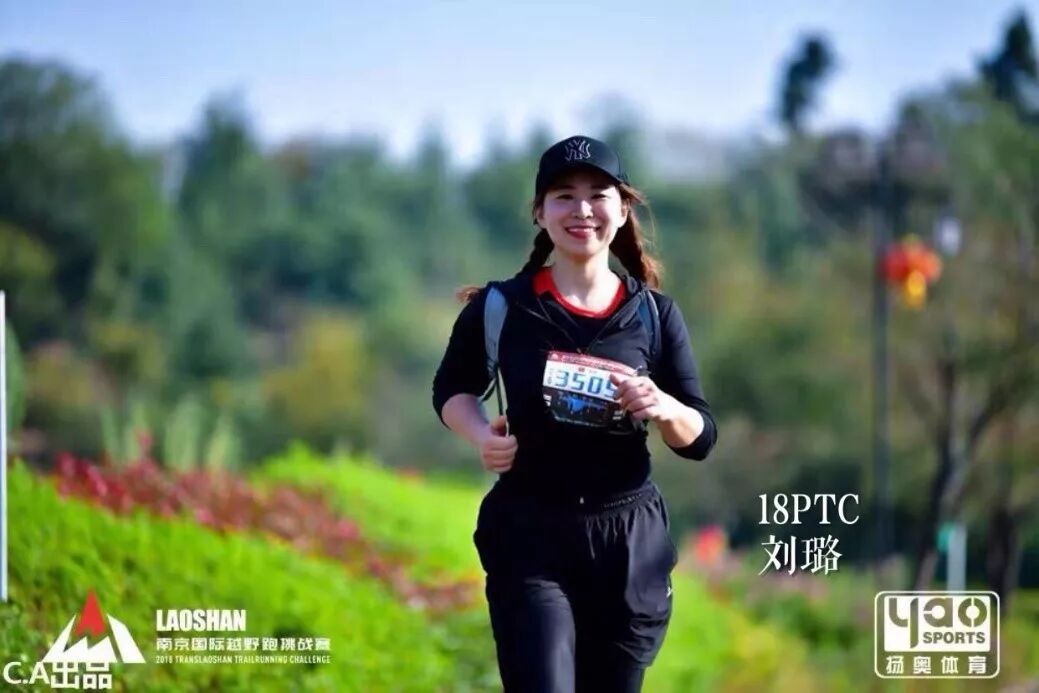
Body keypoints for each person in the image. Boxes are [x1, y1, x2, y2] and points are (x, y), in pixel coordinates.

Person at [432, 135, 717, 692]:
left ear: (623, 209)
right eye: (563, 196)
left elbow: (701, 436)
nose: (581, 209)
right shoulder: (502, 307)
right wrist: (480, 435)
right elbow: (452, 388)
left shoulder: (654, 315)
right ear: (540, 213)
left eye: (597, 195)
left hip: (628, 546)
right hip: (530, 536)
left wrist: (663, 406)